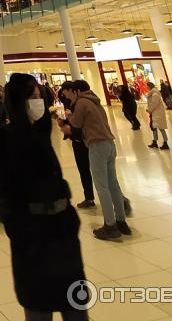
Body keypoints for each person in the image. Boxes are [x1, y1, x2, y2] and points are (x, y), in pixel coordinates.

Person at [0, 73, 87, 321]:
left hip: (62, 236)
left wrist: (69, 219)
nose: (38, 101)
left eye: (39, 96)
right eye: (33, 96)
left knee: (75, 306)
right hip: (32, 241)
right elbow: (4, 192)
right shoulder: (8, 138)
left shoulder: (43, 132)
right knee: (38, 308)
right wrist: (22, 229)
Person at [60, 79, 130, 241]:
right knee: (113, 184)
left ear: (76, 91)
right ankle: (121, 221)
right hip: (109, 143)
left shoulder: (82, 102)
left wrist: (69, 115)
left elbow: (76, 123)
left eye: (70, 92)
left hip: (97, 145)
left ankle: (110, 225)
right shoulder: (95, 100)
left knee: (102, 187)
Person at [59, 82, 95, 209]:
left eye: (64, 90)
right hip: (80, 142)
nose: (63, 93)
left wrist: (70, 130)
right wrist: (64, 122)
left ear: (73, 90)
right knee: (84, 171)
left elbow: (79, 124)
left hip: (86, 141)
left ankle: (113, 199)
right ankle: (89, 197)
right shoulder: (72, 103)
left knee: (95, 172)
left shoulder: (80, 104)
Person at [145, 81, 169, 150]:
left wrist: (149, 109)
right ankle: (155, 142)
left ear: (149, 86)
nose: (146, 88)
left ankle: (165, 143)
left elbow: (154, 104)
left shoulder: (155, 94)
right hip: (155, 113)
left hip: (158, 113)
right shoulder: (153, 93)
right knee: (154, 127)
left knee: (161, 128)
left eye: (147, 86)